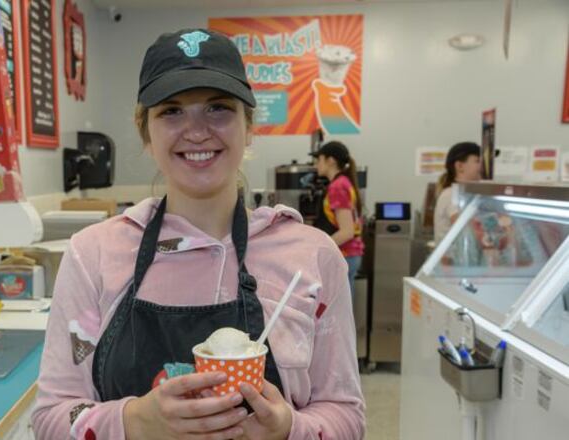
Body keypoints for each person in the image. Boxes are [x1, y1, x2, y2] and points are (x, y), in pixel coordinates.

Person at [32, 28, 365, 440]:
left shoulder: (311, 256)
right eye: (171, 111)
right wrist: (134, 422)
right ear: (145, 132)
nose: (196, 130)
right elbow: (49, 417)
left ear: (250, 126)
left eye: (218, 108)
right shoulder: (94, 255)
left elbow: (346, 417)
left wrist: (288, 429)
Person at [312, 141, 365, 295]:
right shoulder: (345, 182)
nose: (316, 165)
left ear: (331, 161)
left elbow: (347, 231)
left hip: (344, 255)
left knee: (339, 315)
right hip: (349, 255)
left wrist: (318, 249)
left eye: (319, 160)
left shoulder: (338, 186)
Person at [433, 142, 481, 243]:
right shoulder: (451, 194)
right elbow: (468, 230)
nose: (483, 166)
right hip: (454, 258)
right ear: (460, 166)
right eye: (477, 161)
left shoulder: (467, 194)